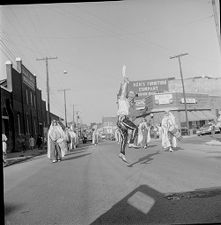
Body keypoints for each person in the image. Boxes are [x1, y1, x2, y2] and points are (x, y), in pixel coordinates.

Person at [116, 65, 139, 163]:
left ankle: (122, 153)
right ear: (127, 95)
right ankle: (132, 143)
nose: (131, 97)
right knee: (135, 128)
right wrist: (124, 79)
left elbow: (132, 99)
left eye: (132, 96)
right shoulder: (122, 99)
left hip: (122, 121)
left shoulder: (128, 104)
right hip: (122, 119)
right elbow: (124, 90)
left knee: (124, 138)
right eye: (130, 95)